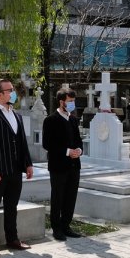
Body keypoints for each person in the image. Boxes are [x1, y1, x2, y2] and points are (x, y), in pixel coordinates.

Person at [0, 78, 34, 256]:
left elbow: (22, 142)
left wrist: (28, 164)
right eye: (9, 90)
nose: (13, 92)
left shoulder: (16, 115)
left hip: (15, 169)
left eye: (12, 89)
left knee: (12, 206)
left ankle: (12, 239)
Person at [42, 88, 84, 241]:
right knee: (58, 197)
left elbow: (78, 140)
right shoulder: (50, 120)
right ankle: (56, 228)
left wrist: (79, 150)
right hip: (58, 165)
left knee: (71, 196)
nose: (72, 104)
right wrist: (67, 152)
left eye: (73, 101)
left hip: (74, 165)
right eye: (70, 101)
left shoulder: (73, 119)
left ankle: (66, 225)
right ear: (62, 102)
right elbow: (47, 144)